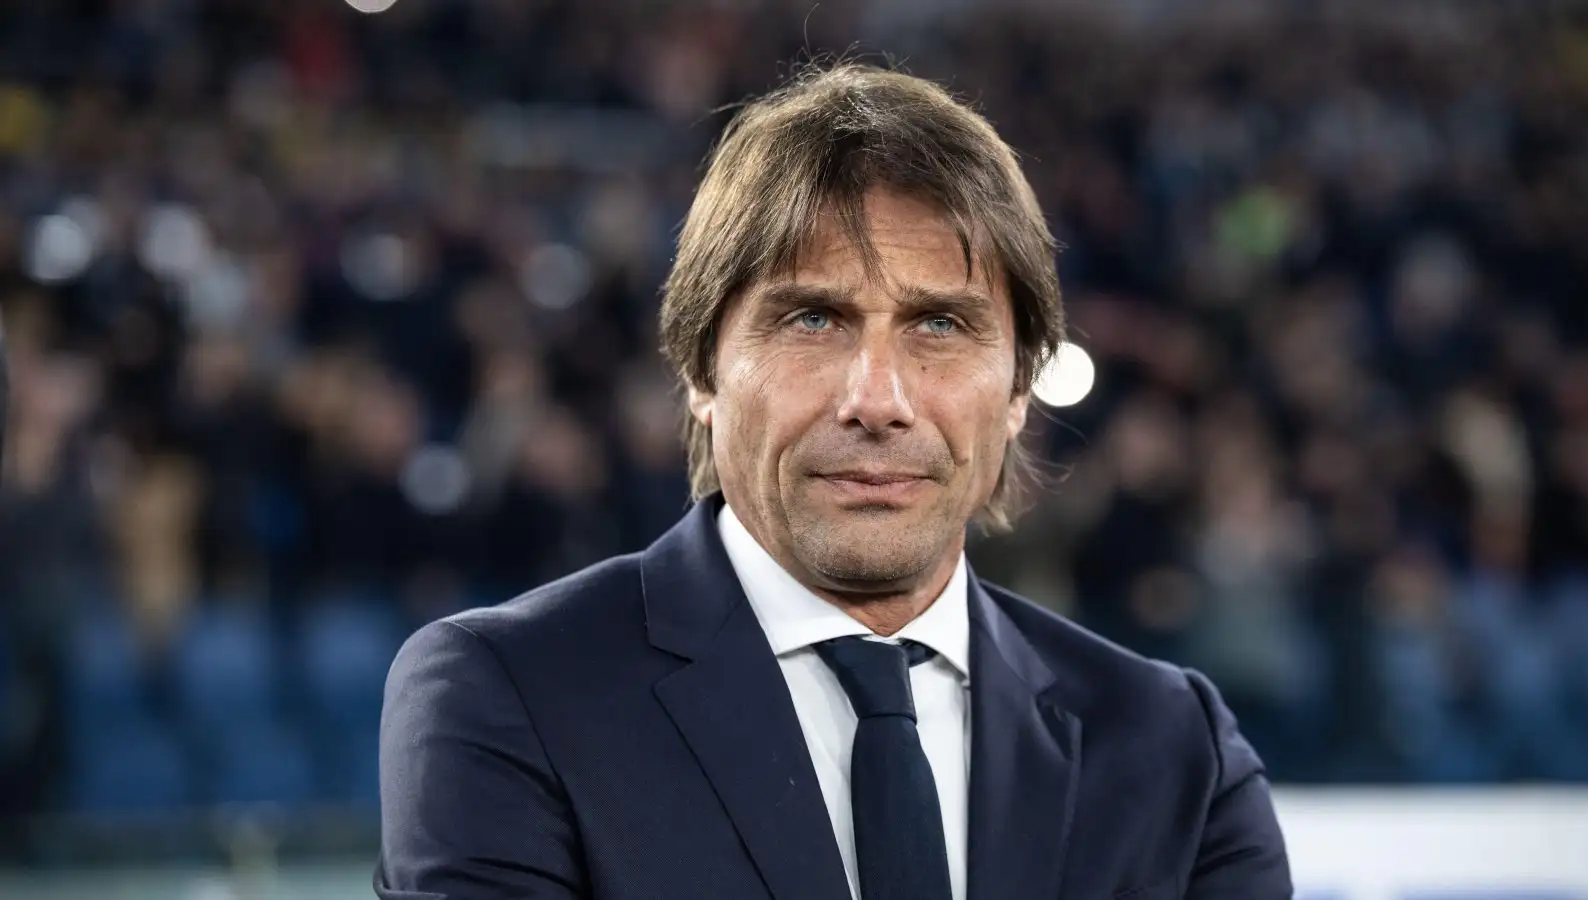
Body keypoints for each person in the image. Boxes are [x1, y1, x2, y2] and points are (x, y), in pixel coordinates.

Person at [376, 64, 1292, 900]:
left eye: (939, 325)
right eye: (813, 319)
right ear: (701, 370)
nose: (878, 400)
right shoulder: (508, 697)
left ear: (1019, 389)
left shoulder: (1177, 753)